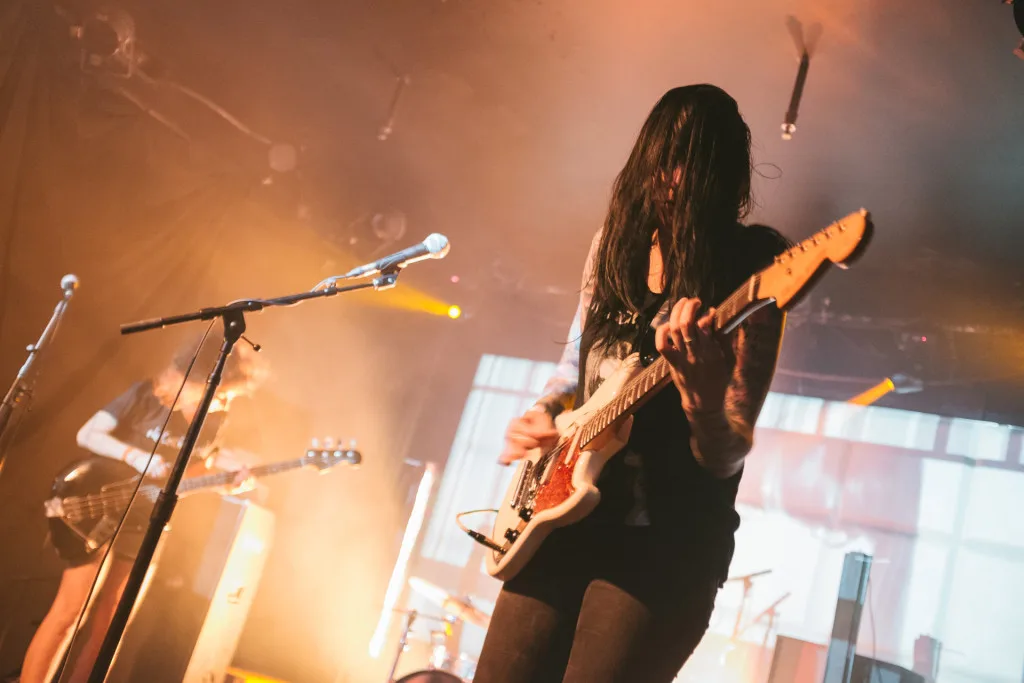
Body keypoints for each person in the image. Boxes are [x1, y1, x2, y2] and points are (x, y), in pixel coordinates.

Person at [474, 84, 789, 683]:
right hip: (560, 519)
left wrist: (701, 399)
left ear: (720, 172)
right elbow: (574, 370)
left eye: (688, 161)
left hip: (666, 546)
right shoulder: (613, 246)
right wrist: (545, 411)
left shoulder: (753, 269)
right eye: (662, 157)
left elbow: (727, 453)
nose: (670, 177)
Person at [20, 335, 268, 683]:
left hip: (146, 519)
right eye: (221, 394)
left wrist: (223, 483)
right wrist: (135, 456)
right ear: (197, 379)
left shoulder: (213, 423)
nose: (224, 403)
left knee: (112, 623)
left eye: (229, 397)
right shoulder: (145, 396)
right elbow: (87, 434)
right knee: (70, 612)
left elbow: (183, 480)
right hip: (99, 506)